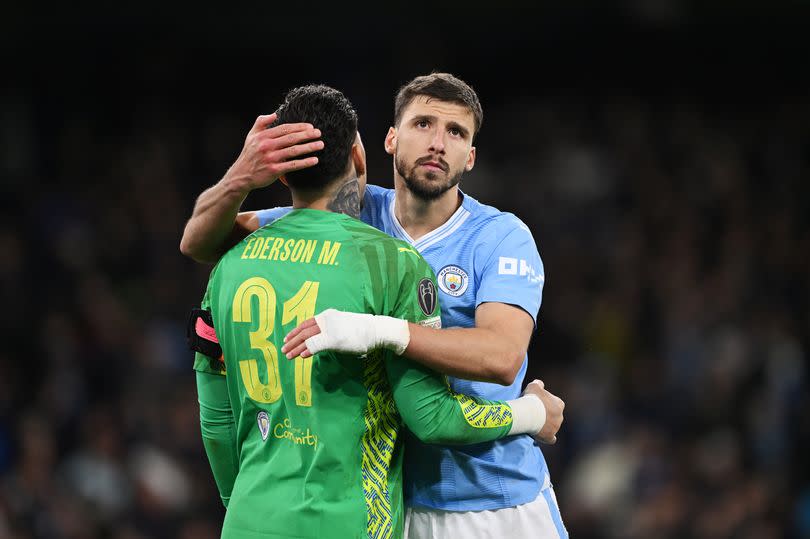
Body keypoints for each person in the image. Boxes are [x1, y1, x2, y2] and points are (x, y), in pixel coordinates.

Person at [190, 83, 559, 539]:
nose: (438, 143)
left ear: (470, 158)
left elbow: (502, 358)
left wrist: (383, 330)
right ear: (388, 140)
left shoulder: (501, 237)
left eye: (457, 133)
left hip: (494, 498)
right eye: (423, 124)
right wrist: (239, 178)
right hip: (395, 503)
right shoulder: (349, 215)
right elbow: (201, 241)